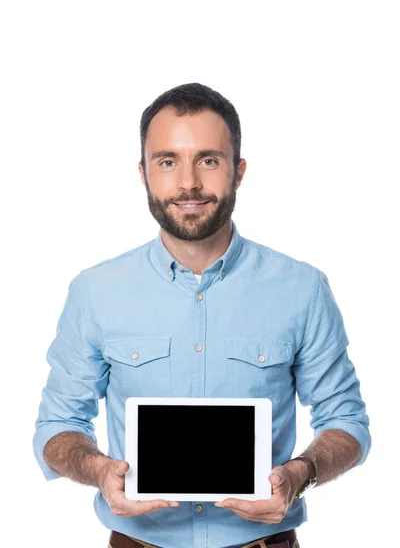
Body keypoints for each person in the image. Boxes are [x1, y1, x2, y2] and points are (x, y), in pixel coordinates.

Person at [33, 82, 371, 548]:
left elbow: (346, 421)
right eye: (167, 161)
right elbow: (57, 427)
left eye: (209, 160)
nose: (188, 182)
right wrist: (98, 471)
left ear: (239, 171)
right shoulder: (94, 291)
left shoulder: (303, 289)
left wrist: (302, 474)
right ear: (143, 173)